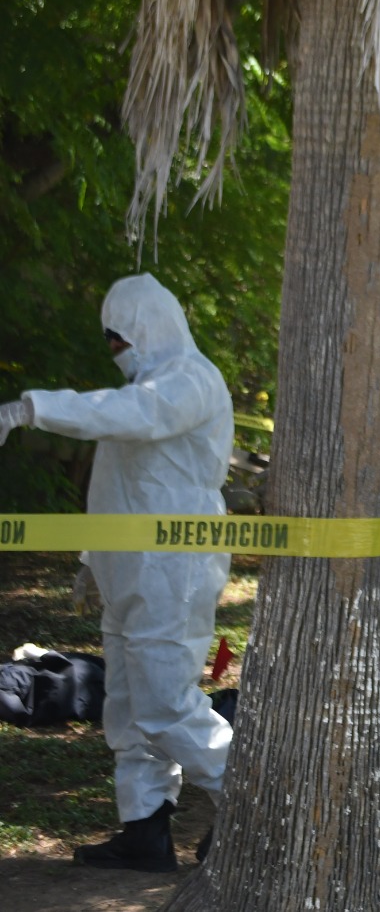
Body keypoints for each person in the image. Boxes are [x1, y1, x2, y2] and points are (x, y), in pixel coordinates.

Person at [0, 273, 233, 872]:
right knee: (128, 709)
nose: (115, 352)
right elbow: (116, 492)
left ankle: (259, 806)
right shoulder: (152, 389)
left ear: (149, 328)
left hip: (173, 570)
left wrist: (35, 407)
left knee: (165, 704)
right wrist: (91, 560)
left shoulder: (187, 382)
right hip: (131, 569)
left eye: (120, 339)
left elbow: (128, 414)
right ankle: (145, 833)